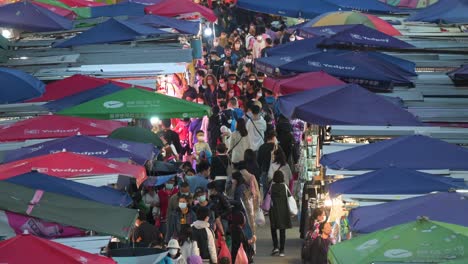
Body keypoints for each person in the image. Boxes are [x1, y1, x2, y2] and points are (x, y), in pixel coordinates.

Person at [269, 170, 292, 257]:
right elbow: (290, 197)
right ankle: (282, 250)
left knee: (273, 229)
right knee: (282, 231)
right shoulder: (285, 187)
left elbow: (267, 198)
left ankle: (275, 247)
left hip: (274, 211)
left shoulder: (271, 187)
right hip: (283, 212)